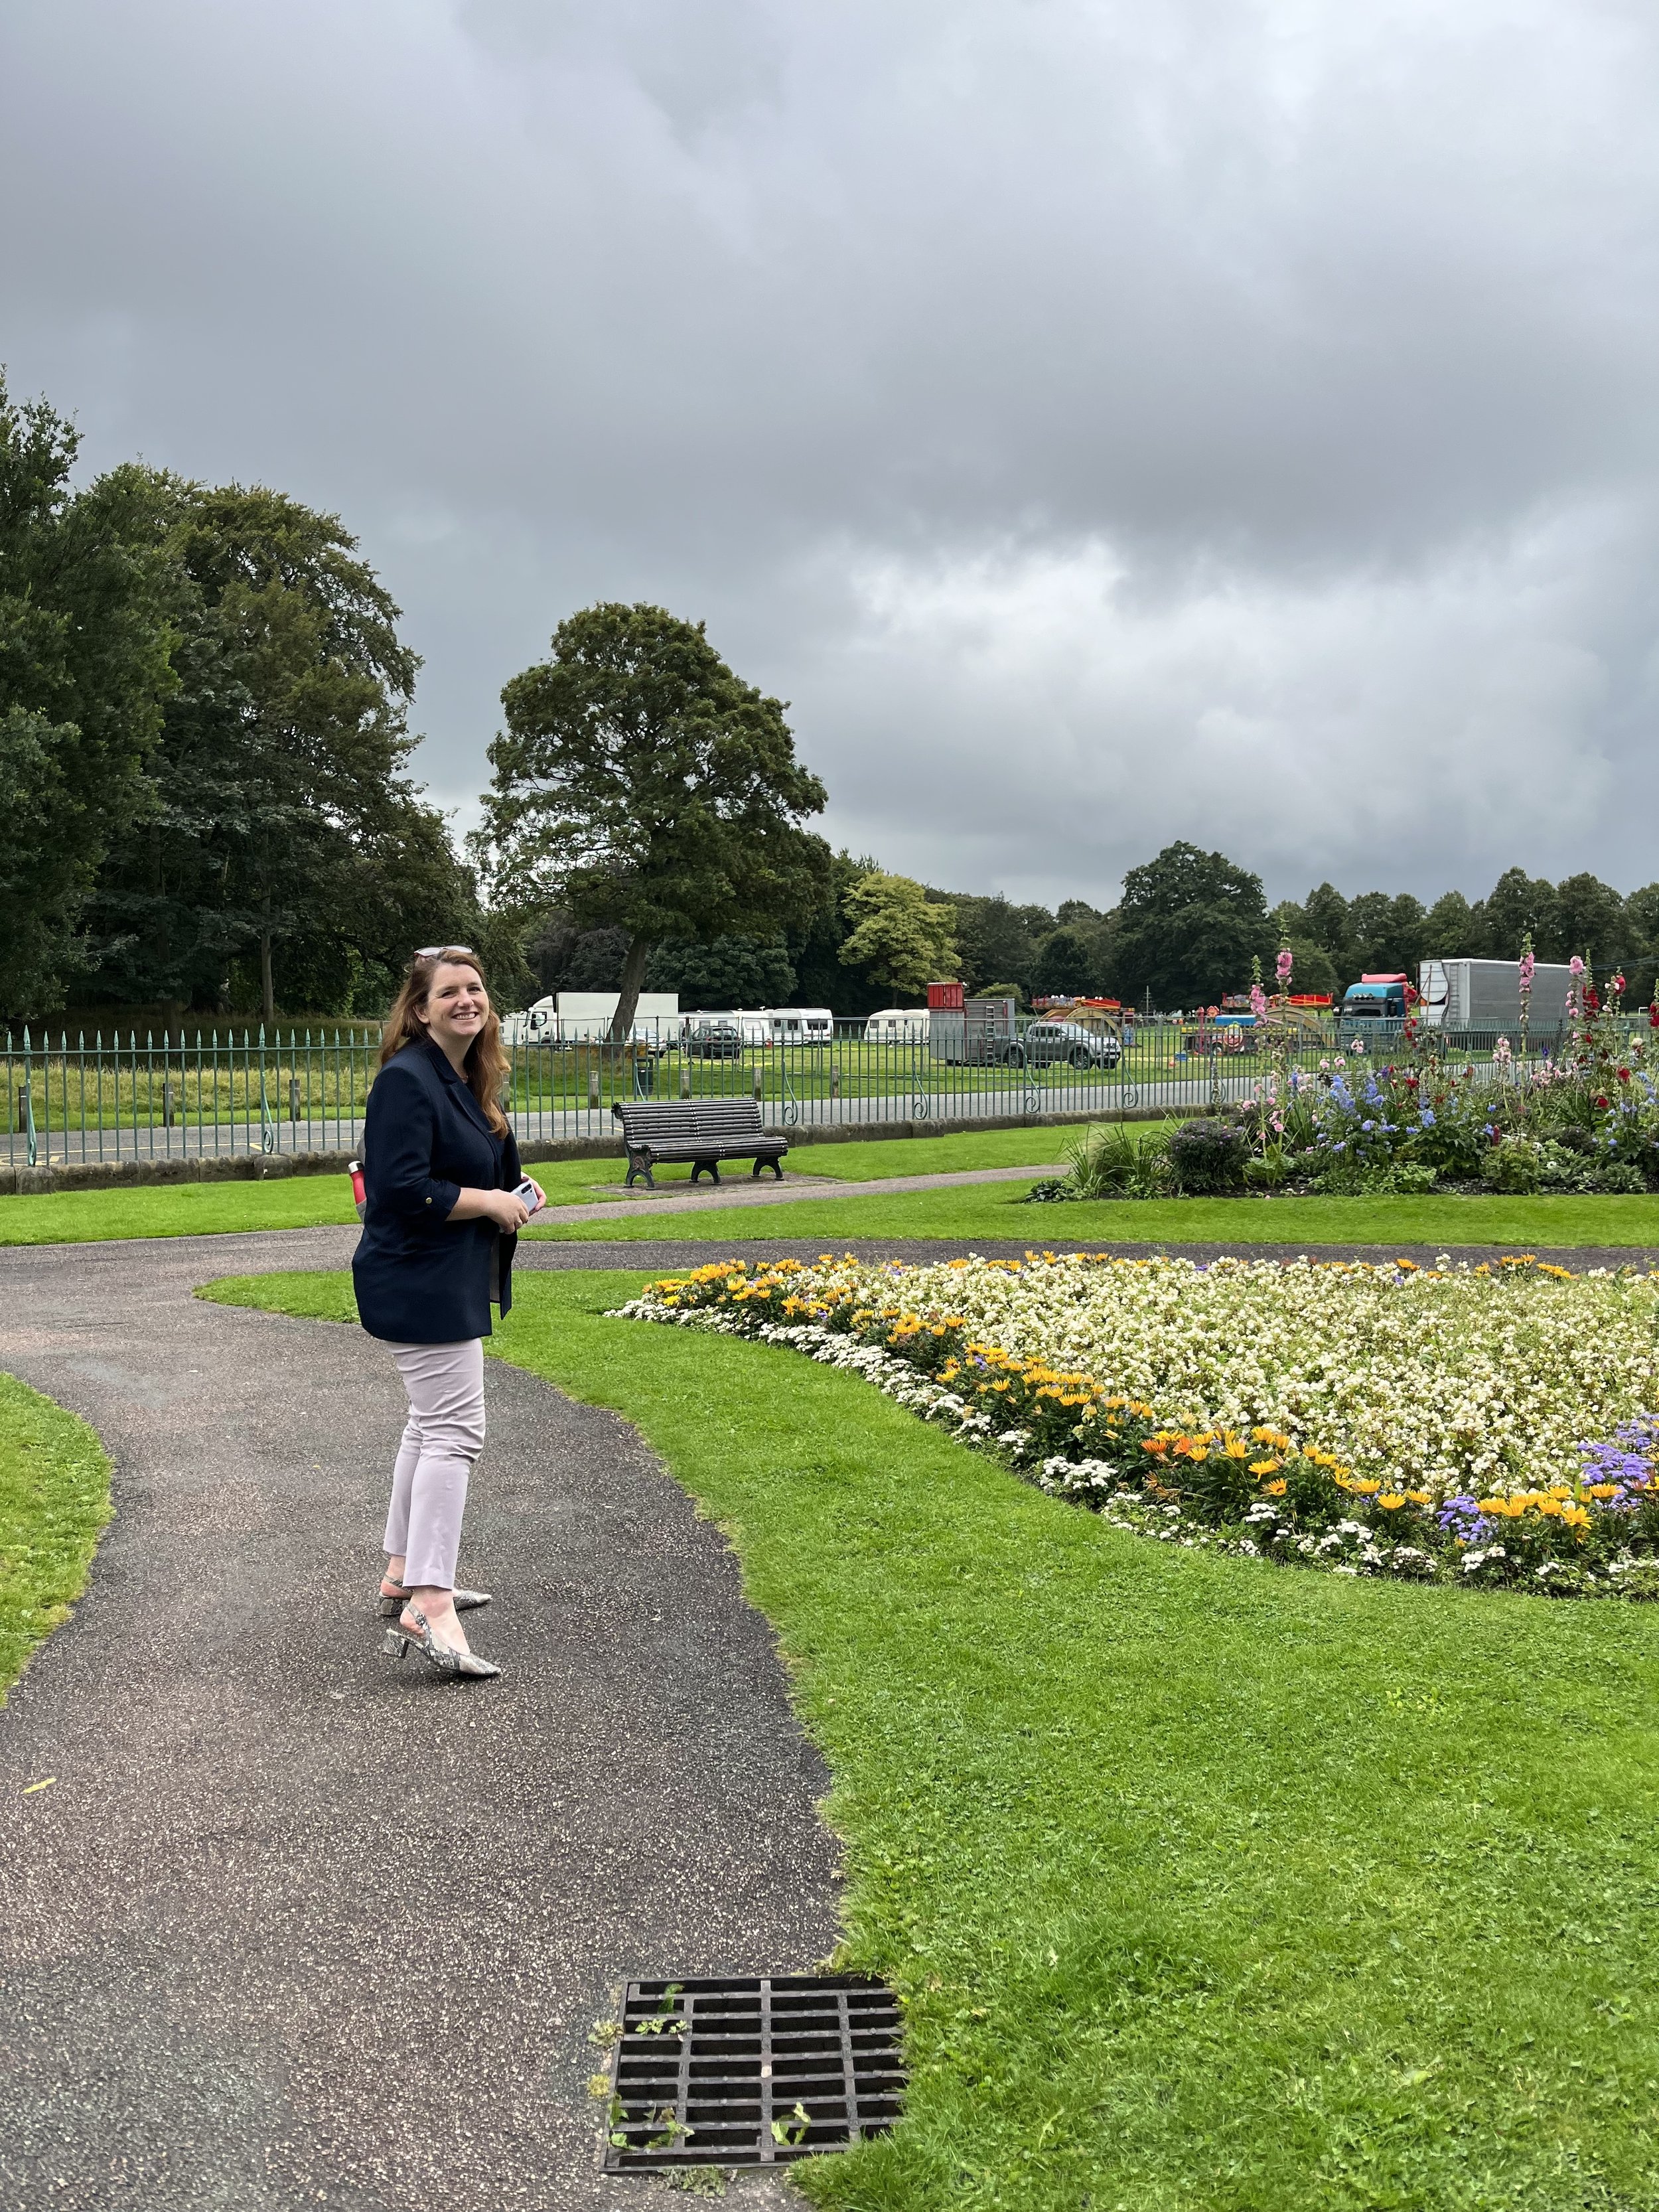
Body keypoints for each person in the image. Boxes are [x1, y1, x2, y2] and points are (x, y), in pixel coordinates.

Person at [352, 946, 540, 1680]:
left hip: (445, 1275)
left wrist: (512, 1191)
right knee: (456, 1432)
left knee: (429, 1425)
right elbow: (400, 1187)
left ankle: (403, 1572)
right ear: (420, 1008)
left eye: (476, 988)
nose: (467, 1000)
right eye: (450, 992)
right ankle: (430, 1601)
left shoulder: (465, 1075)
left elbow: (465, 1168)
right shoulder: (406, 1078)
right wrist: (487, 1203)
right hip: (416, 1281)